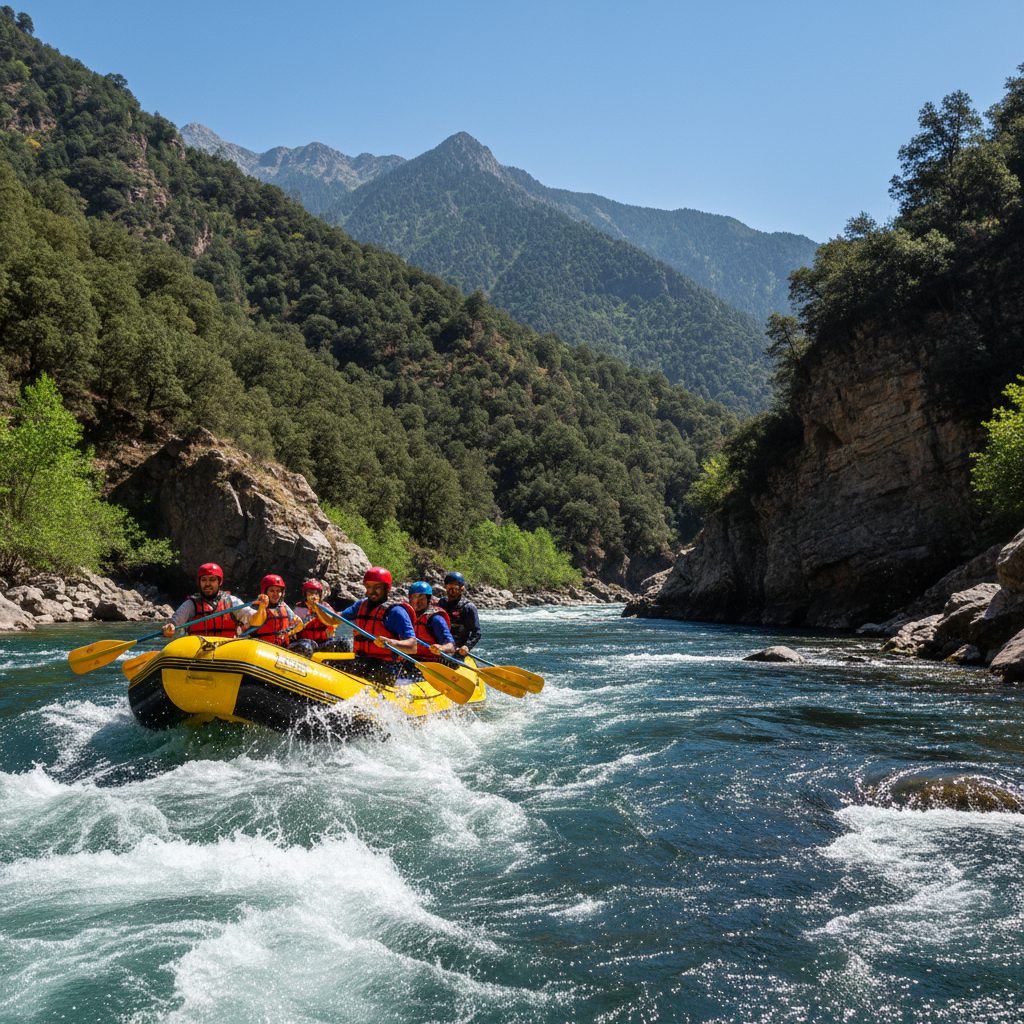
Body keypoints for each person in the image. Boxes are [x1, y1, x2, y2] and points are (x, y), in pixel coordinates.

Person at [334, 567, 417, 686]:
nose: (372, 591)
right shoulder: (360, 605)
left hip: (386, 665)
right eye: (368, 587)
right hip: (362, 659)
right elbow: (332, 620)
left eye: (377, 587)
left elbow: (413, 646)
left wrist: (390, 642)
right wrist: (317, 607)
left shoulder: (396, 612)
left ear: (386, 589)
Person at [161, 562, 252, 638]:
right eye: (204, 580)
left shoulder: (232, 602)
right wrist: (169, 628)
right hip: (199, 651)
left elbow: (255, 618)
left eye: (212, 579)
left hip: (227, 650)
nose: (207, 584)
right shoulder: (191, 604)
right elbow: (173, 624)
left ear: (219, 582)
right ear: (199, 582)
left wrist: (261, 609)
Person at [289, 580, 352, 658]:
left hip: (322, 644)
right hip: (305, 642)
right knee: (306, 646)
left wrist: (318, 608)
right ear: (305, 595)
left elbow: (331, 621)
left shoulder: (325, 607)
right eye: (311, 593)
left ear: (320, 595)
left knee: (344, 642)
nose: (314, 596)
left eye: (316, 593)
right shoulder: (300, 608)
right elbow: (294, 627)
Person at [247, 574, 303, 647]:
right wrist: (262, 608)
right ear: (265, 592)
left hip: (281, 647)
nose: (276, 594)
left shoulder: (284, 606)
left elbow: (299, 624)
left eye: (278, 591)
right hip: (261, 647)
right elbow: (255, 623)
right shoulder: (256, 606)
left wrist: (287, 633)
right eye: (272, 591)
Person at [408, 581, 457, 662]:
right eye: (414, 597)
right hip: (409, 659)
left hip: (431, 662)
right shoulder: (406, 616)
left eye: (421, 598)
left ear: (428, 599)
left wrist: (441, 648)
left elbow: (451, 646)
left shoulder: (435, 619)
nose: (417, 601)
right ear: (410, 599)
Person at [437, 571, 481, 657]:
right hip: (441, 647)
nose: (452, 590)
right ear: (445, 587)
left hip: (458, 650)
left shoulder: (468, 607)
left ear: (461, 588)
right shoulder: (442, 603)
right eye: (449, 587)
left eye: (455, 587)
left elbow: (476, 632)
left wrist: (467, 646)